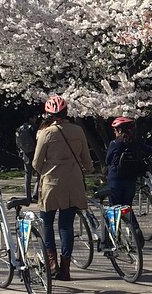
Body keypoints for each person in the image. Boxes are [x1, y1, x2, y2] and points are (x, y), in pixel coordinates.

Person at [32, 94, 94, 281]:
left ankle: (52, 264)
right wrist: (89, 170)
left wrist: (47, 169)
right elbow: (86, 159)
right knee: (66, 226)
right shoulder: (78, 131)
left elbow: (36, 162)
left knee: (47, 223)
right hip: (73, 183)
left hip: (51, 184)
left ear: (48, 115)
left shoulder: (46, 133)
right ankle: (65, 269)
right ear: (66, 112)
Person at [104, 116, 152, 246]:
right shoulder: (134, 143)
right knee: (127, 207)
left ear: (118, 130)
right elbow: (148, 149)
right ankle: (136, 229)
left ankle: (114, 238)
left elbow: (107, 161)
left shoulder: (115, 144)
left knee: (114, 209)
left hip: (115, 181)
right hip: (130, 180)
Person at [16, 112, 40, 202]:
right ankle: (35, 194)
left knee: (27, 175)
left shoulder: (20, 129)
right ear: (31, 118)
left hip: (25, 153)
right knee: (39, 174)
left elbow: (18, 143)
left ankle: (28, 196)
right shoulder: (34, 127)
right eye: (34, 117)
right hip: (35, 152)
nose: (36, 119)